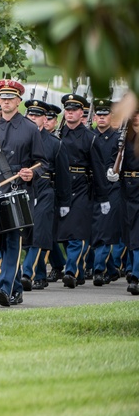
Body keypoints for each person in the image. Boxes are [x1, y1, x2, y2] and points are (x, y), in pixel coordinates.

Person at [0, 79, 46, 306]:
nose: (6, 102)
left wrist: (32, 173)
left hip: (18, 194)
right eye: (2, 98)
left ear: (19, 101)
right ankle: (16, 288)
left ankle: (6, 287)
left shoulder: (30, 129)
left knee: (12, 241)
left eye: (10, 98)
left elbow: (43, 163)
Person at [55, 93, 108, 288]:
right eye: (67, 110)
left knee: (76, 233)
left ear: (81, 113)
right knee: (64, 233)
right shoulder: (58, 135)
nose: (69, 114)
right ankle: (76, 269)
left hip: (81, 186)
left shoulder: (90, 138)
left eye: (74, 110)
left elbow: (98, 168)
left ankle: (71, 271)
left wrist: (103, 197)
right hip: (60, 185)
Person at [21, 99, 69, 290]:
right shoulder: (21, 138)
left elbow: (63, 175)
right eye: (30, 115)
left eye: (37, 115)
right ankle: (39, 273)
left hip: (44, 190)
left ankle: (28, 273)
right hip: (24, 190)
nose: (33, 118)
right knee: (26, 236)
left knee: (40, 233)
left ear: (44, 119)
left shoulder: (54, 143)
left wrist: (65, 201)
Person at [91, 98, 124, 285]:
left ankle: (98, 270)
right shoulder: (89, 136)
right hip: (92, 188)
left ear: (111, 116)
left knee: (104, 230)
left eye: (105, 115)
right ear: (95, 116)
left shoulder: (118, 138)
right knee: (94, 231)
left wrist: (115, 171)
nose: (102, 118)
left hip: (111, 189)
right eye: (99, 115)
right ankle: (111, 268)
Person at [110, 110, 139, 295]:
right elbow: (113, 160)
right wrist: (113, 172)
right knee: (130, 232)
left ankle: (136, 276)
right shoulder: (123, 138)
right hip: (128, 188)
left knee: (137, 234)